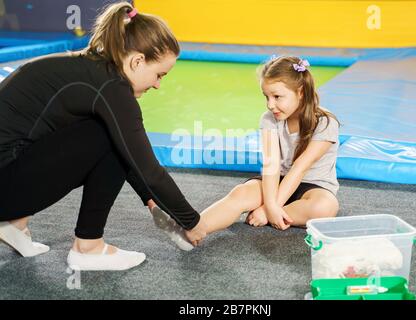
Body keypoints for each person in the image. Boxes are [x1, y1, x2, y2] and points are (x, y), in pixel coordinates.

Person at [0, 2, 207, 271]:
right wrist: (192, 221)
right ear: (137, 60)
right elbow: (149, 170)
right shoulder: (112, 88)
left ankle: (14, 225)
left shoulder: (94, 70)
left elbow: (130, 158)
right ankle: (88, 247)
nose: (158, 84)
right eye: (159, 75)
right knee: (105, 134)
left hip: (9, 175)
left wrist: (150, 200)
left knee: (106, 132)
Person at [179, 55, 340, 245]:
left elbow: (300, 168)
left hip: (313, 188)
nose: (270, 105)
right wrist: (270, 202)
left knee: (325, 208)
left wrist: (267, 209)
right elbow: (271, 164)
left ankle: (275, 214)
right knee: (240, 193)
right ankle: (194, 230)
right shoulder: (269, 119)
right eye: (267, 97)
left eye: (277, 97)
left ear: (301, 92)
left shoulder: (325, 122)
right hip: (277, 181)